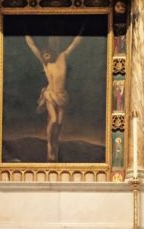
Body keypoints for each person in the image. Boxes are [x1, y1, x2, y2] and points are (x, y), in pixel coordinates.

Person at [24, 29, 84, 161]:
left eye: (47, 54)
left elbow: (74, 44)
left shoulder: (62, 57)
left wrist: (81, 33)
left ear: (51, 53)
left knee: (60, 122)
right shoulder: (46, 65)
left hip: (62, 96)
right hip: (51, 94)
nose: (45, 56)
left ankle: (55, 143)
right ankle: (50, 145)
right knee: (54, 119)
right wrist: (26, 34)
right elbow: (33, 47)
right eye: (44, 55)